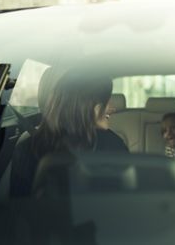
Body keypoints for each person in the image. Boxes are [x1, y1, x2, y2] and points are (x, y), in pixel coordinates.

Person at [10, 67, 128, 197]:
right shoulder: (113, 146)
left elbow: (17, 208)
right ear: (96, 109)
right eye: (107, 101)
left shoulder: (26, 147)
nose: (112, 108)